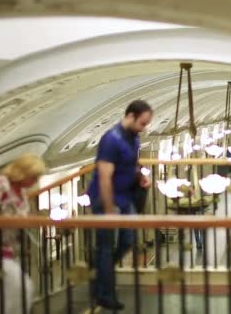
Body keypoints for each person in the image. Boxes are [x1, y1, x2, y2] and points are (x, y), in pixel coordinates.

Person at [87, 100, 152, 310]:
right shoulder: (110, 140)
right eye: (142, 123)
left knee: (127, 239)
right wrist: (108, 211)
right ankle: (104, 294)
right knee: (107, 246)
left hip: (125, 197)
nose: (144, 127)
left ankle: (99, 271)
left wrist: (140, 175)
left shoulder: (134, 138)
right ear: (130, 116)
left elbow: (131, 163)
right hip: (105, 199)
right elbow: (105, 177)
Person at [0, 153, 45, 313]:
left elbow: (17, 214)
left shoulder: (22, 192)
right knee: (18, 287)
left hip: (7, 250)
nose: (36, 180)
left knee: (14, 292)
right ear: (22, 172)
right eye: (34, 176)